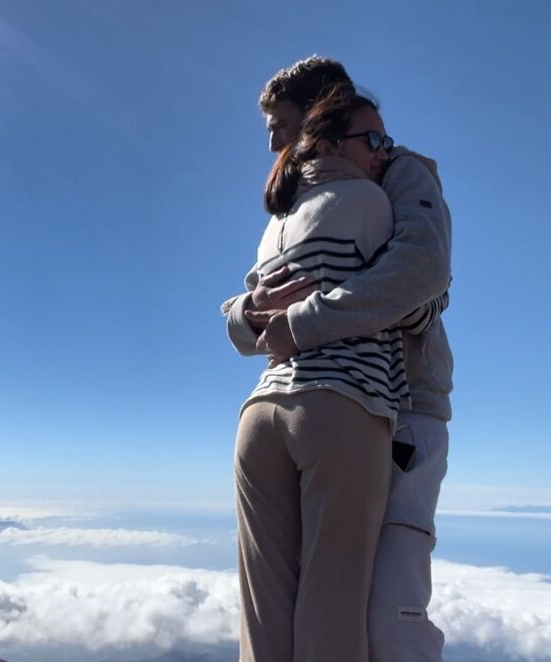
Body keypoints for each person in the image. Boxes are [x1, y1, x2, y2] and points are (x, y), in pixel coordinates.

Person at [226, 57, 452, 662]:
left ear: (320, 117)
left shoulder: (393, 176)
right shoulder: (323, 201)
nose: (273, 140)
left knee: (298, 613)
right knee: (349, 612)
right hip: (352, 406)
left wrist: (285, 324)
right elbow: (416, 298)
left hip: (334, 407)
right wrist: (257, 316)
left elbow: (420, 274)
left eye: (280, 123)